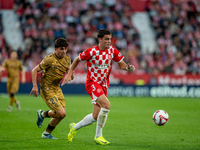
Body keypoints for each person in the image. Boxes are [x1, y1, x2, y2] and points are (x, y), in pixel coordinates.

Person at [62, 29, 135, 145]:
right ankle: (98, 136)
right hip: (92, 83)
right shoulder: (91, 52)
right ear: (99, 39)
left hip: (103, 85)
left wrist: (128, 67)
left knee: (96, 116)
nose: (109, 41)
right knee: (107, 105)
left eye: (110, 39)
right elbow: (77, 59)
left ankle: (74, 127)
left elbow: (121, 64)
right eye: (106, 39)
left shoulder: (112, 50)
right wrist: (70, 72)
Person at [30, 38, 73, 139]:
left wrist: (70, 74)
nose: (64, 51)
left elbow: (70, 74)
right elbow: (34, 70)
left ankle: (46, 133)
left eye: (65, 49)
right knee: (60, 112)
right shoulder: (49, 59)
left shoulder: (67, 59)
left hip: (57, 88)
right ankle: (42, 114)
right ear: (55, 49)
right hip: (47, 89)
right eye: (61, 49)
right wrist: (35, 86)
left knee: (62, 115)